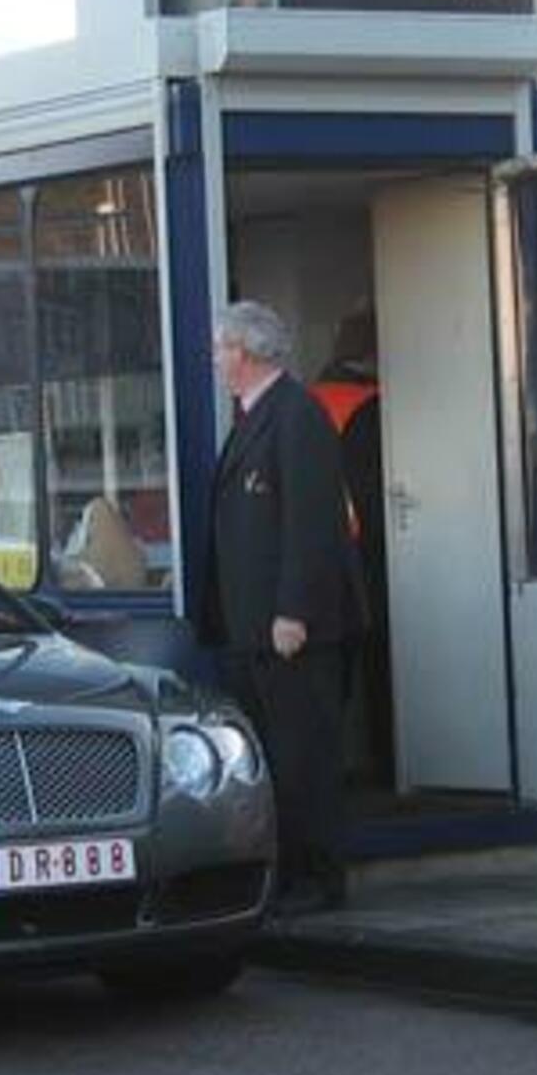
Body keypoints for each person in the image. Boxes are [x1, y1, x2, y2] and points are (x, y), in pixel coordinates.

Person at [193, 300, 365, 915]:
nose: (215, 361)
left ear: (246, 353)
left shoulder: (297, 415)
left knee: (303, 756)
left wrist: (294, 611)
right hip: (249, 629)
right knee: (273, 755)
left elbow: (312, 523)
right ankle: (284, 873)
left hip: (290, 630)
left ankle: (317, 879)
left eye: (220, 349)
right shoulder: (252, 418)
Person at [310, 307, 391, 778]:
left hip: (321, 551)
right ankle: (384, 765)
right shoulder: (377, 405)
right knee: (382, 663)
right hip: (369, 552)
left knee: (332, 672)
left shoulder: (307, 399)